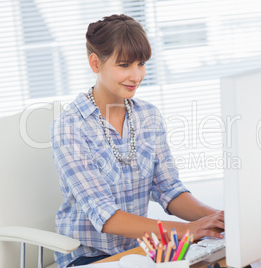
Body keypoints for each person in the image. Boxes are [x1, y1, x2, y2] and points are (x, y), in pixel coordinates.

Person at [51, 14, 225, 268]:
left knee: (224, 258)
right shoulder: (69, 127)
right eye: (124, 65)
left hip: (143, 248)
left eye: (141, 63)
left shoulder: (148, 115)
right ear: (95, 63)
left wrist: (218, 218)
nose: (136, 75)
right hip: (90, 256)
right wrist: (188, 231)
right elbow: (106, 217)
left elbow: (169, 189)